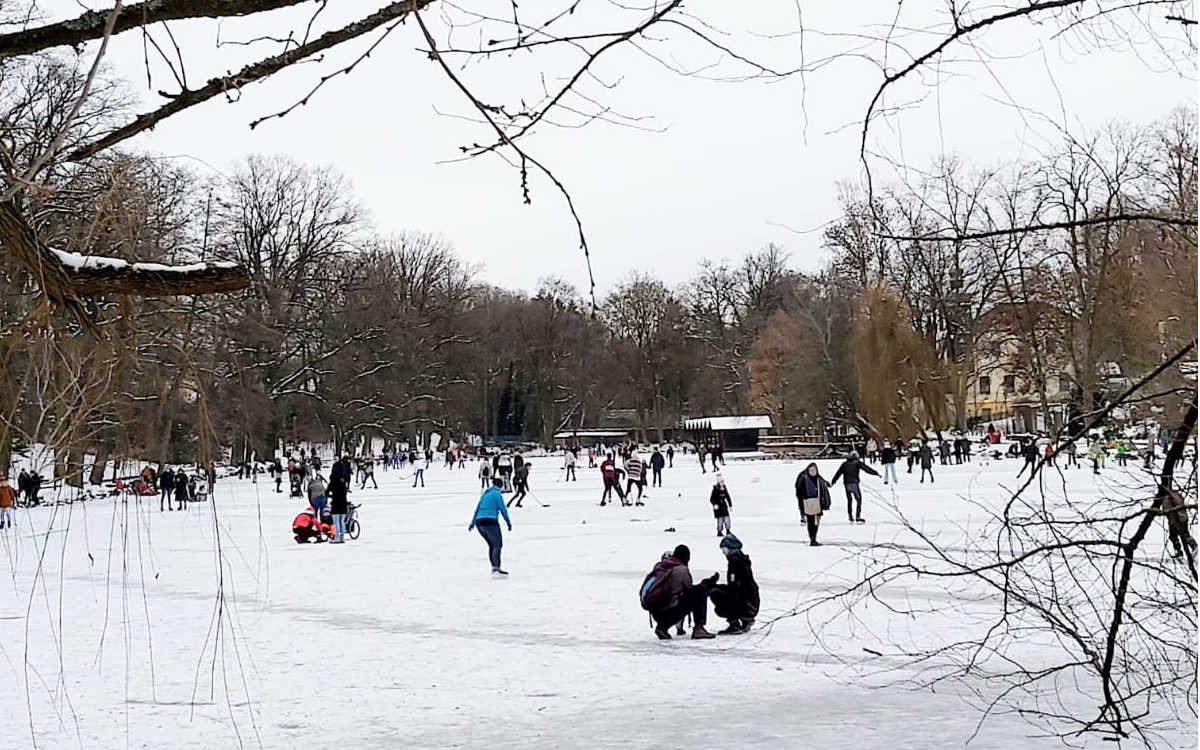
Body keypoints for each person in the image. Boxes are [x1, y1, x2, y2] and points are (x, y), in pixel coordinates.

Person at [642, 544, 716, 640]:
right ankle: (699, 628)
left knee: (675, 600)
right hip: (670, 610)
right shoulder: (681, 569)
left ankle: (662, 627)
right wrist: (705, 585)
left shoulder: (661, 566)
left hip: (656, 611)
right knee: (701, 591)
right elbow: (689, 588)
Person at [708, 534, 759, 634]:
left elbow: (734, 587)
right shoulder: (742, 560)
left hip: (747, 605)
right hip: (752, 603)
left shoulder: (735, 562)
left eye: (724, 548)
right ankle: (745, 619)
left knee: (715, 594)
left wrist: (715, 587)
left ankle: (735, 622)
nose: (723, 552)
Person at [469, 478, 512, 576]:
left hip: (479, 522)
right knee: (497, 544)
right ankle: (496, 568)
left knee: (492, 545)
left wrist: (472, 522)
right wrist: (508, 522)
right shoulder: (497, 494)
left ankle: (494, 567)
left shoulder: (485, 494)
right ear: (500, 486)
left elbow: (478, 508)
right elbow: (502, 509)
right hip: (490, 521)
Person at [830, 450, 880, 524]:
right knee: (858, 500)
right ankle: (858, 517)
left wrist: (833, 482)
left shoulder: (844, 464)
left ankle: (850, 517)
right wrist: (876, 473)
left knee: (849, 500)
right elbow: (867, 469)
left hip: (847, 484)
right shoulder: (857, 463)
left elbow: (838, 473)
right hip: (854, 483)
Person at [795, 462, 831, 546]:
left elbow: (822, 482)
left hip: (818, 502)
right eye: (811, 470)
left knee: (816, 521)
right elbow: (799, 491)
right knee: (811, 521)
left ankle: (813, 537)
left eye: (814, 470)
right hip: (808, 502)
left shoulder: (818, 478)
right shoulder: (803, 478)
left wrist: (827, 484)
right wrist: (802, 501)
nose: (813, 471)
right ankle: (812, 539)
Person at [1161, 488, 1197, 560]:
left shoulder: (1172, 496)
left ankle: (1194, 546)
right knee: (1173, 536)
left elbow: (1178, 504)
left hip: (1180, 519)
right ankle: (1179, 552)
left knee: (1184, 535)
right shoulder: (1165, 498)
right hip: (1173, 520)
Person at [327, 467, 350, 544]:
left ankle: (337, 537)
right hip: (343, 503)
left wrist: (331, 496)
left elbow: (327, 492)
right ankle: (342, 537)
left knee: (336, 522)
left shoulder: (332, 483)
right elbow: (345, 492)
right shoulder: (343, 482)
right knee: (342, 521)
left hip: (336, 504)